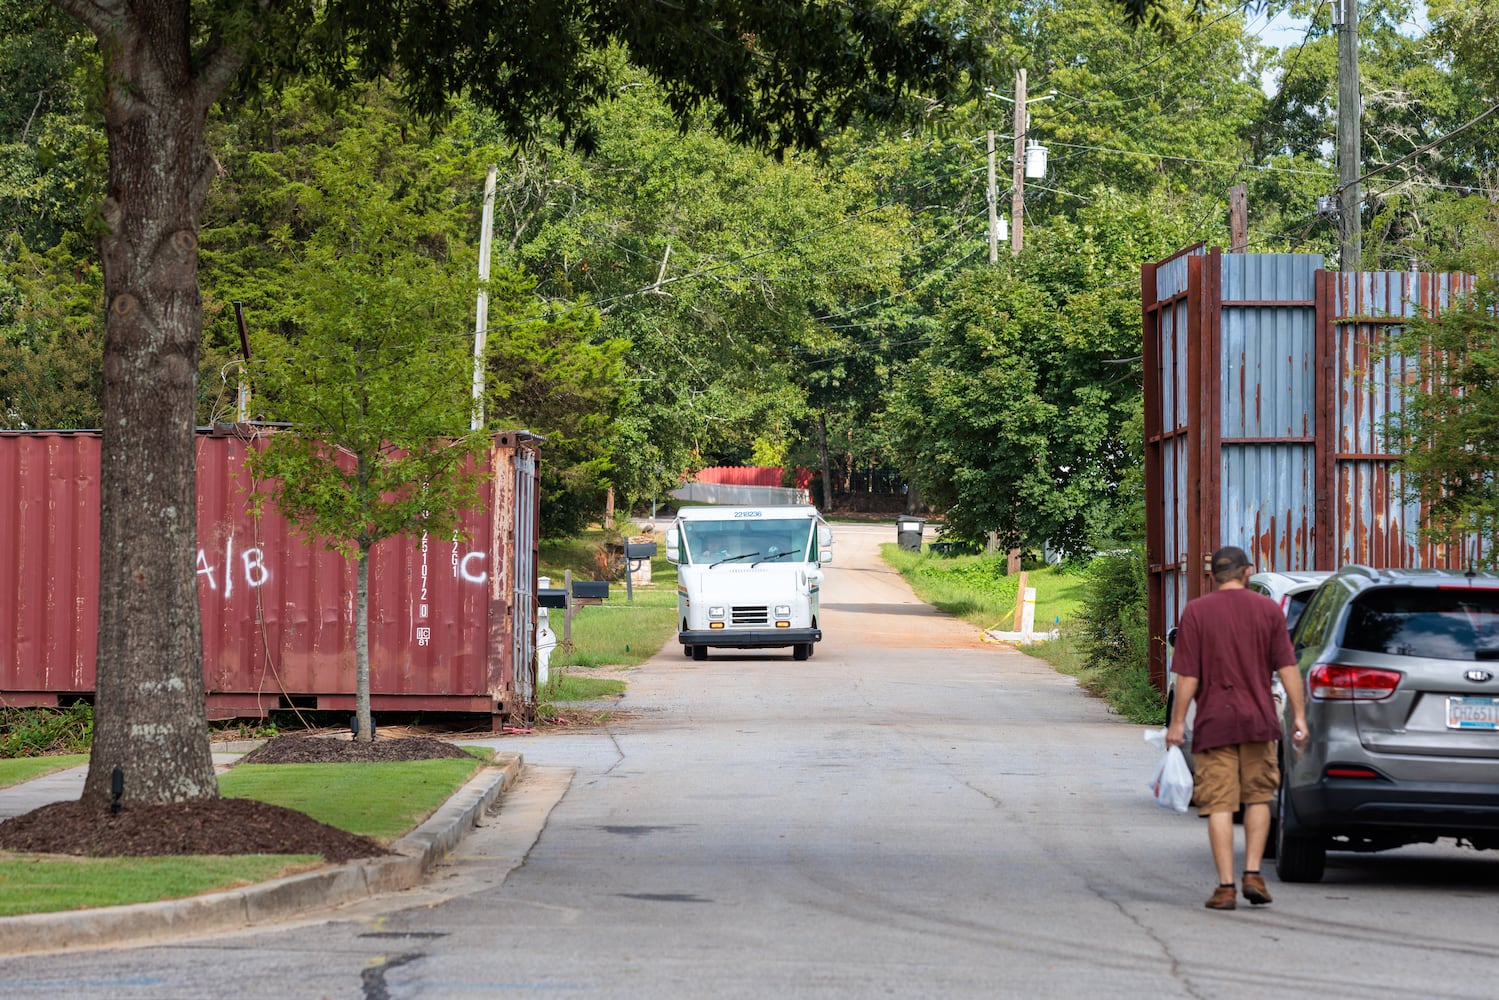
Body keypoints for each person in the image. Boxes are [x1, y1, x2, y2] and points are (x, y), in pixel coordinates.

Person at [1166, 545, 1309, 911]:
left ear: (1214, 575)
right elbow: (1288, 668)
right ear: (1248, 572)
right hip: (1259, 720)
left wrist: (1178, 723)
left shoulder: (1197, 612)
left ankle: (1226, 887)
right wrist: (1299, 716)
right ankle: (1252, 874)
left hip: (1215, 723)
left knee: (1219, 804)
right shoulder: (1267, 611)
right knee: (1259, 797)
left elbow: (1188, 676)